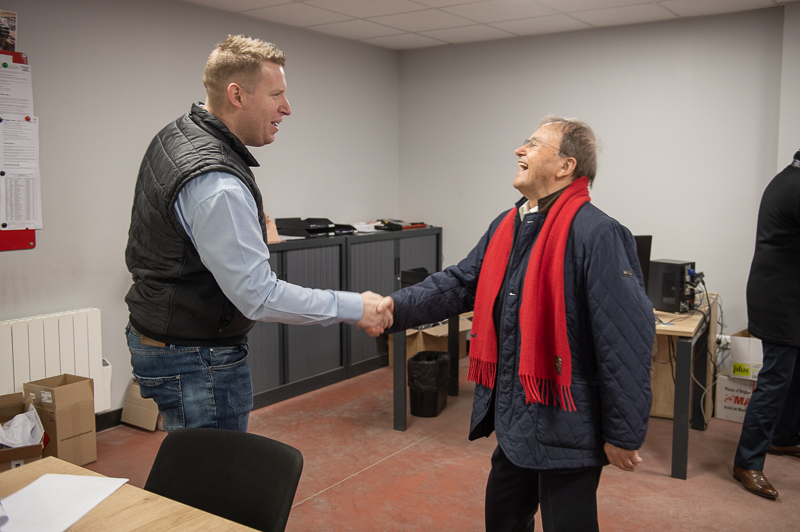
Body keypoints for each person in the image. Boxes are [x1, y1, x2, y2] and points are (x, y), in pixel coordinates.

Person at [370, 115, 654, 531]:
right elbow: (460, 282)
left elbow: (625, 341)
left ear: (565, 166)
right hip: (518, 415)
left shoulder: (599, 234)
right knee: (502, 515)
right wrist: (394, 307)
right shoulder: (510, 225)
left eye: (533, 144)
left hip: (568, 421)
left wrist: (624, 432)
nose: (520, 150)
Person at [124, 35, 391, 433]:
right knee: (215, 484)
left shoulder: (177, 134)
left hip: (160, 337)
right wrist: (356, 307)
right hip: (196, 358)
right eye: (276, 94)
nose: (287, 108)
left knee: (193, 470)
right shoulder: (217, 183)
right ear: (237, 95)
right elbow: (258, 296)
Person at [732, 148, 800, 500]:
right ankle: (747, 462)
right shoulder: (794, 185)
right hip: (780, 302)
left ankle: (784, 439)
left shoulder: (790, 177)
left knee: (794, 375)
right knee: (775, 382)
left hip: (788, 295)